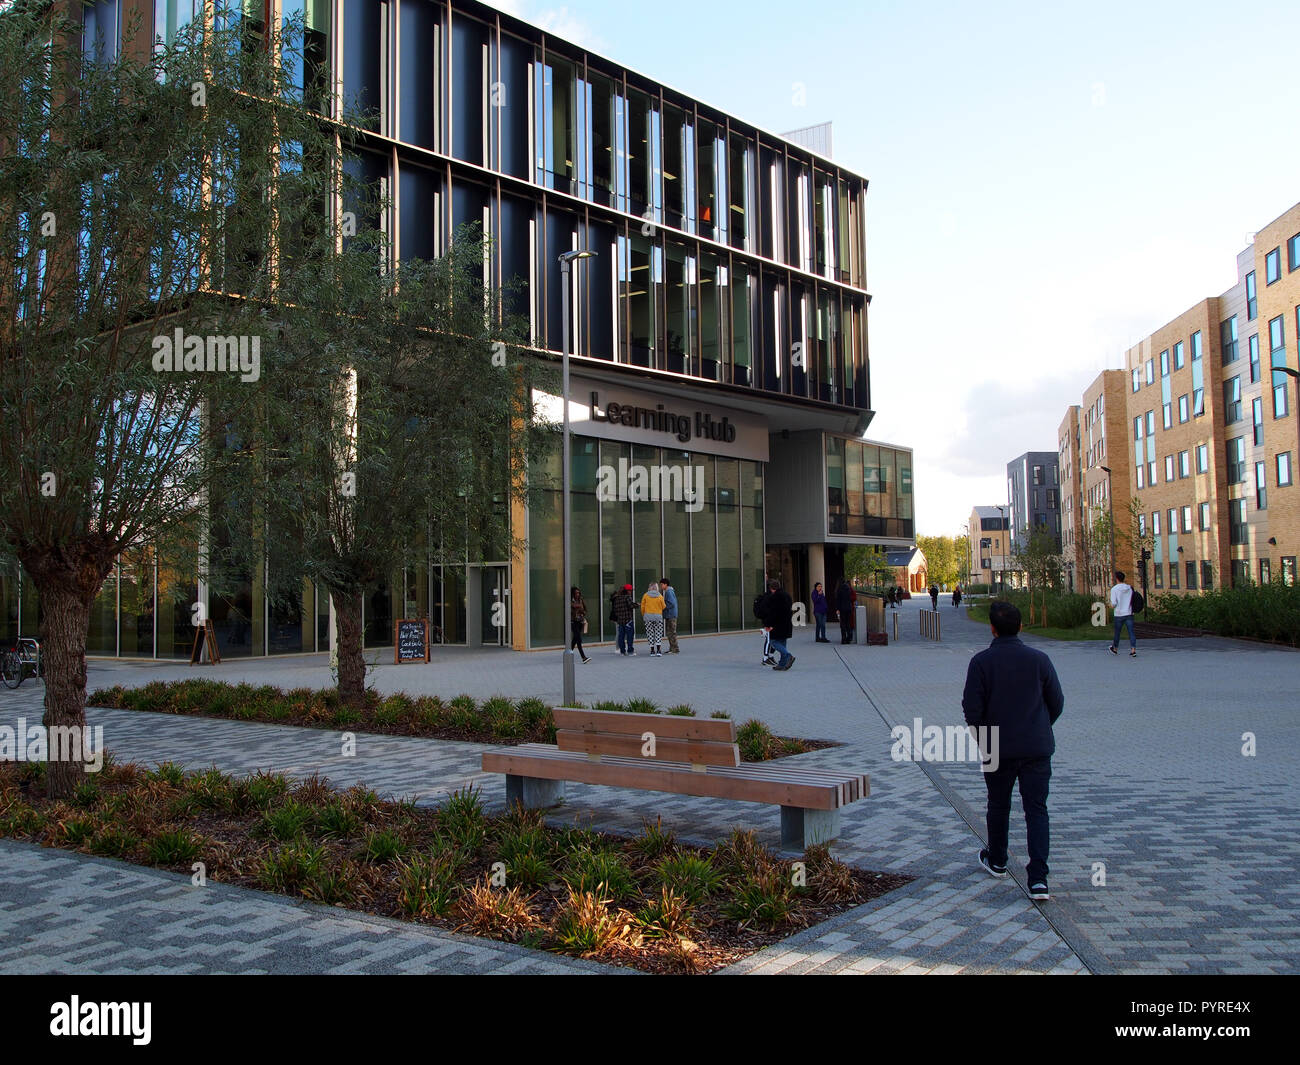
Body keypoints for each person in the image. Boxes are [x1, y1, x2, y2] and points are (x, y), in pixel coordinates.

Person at [962, 600, 1064, 902]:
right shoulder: (1040, 660)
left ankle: (997, 859)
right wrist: (1040, 726)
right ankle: (1039, 880)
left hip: (997, 746)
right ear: (1021, 626)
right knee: (1037, 809)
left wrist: (984, 738)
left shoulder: (981, 663)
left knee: (998, 804)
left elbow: (972, 709)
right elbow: (1056, 701)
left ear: (991, 628)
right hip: (1036, 746)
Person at [758, 578, 796, 670]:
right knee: (782, 643)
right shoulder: (787, 595)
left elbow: (773, 613)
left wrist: (768, 625)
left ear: (771, 588)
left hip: (777, 624)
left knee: (773, 641)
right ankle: (782, 664)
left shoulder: (774, 597)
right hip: (787, 623)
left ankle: (788, 656)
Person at [1109, 570, 1137, 658]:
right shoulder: (1129, 588)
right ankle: (1133, 650)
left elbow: (1114, 604)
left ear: (1116, 579)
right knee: (1131, 632)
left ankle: (1115, 648)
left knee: (1117, 632)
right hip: (1129, 613)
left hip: (1119, 614)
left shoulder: (1114, 589)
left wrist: (1110, 605)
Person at [640, 581, 666, 657]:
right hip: (658, 617)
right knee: (658, 633)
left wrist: (643, 614)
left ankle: (652, 650)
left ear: (649, 587)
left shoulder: (645, 595)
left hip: (648, 617)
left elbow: (642, 607)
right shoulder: (660, 596)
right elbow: (664, 606)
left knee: (650, 633)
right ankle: (658, 650)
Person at [609, 583, 636, 656]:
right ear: (627, 591)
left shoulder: (617, 598)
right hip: (628, 620)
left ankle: (622, 651)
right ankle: (630, 651)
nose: (631, 592)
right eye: (630, 590)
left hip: (620, 620)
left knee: (621, 636)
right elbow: (631, 605)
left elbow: (615, 609)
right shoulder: (627, 597)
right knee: (630, 636)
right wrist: (637, 605)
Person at [569, 586, 591, 664]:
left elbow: (585, 609)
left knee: (575, 639)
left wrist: (583, 612)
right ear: (573, 594)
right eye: (576, 593)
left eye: (578, 592)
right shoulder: (570, 601)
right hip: (573, 621)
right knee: (578, 640)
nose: (577, 594)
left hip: (580, 621)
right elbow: (571, 608)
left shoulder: (581, 600)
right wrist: (576, 607)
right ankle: (583, 657)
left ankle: (569, 654)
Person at [660, 576, 680, 653]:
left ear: (666, 584)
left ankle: (675, 649)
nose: (661, 586)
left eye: (662, 584)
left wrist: (664, 607)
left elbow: (672, 603)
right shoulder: (669, 591)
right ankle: (672, 648)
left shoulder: (669, 592)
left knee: (672, 632)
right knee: (670, 632)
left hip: (671, 615)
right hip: (670, 615)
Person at [835, 580, 854, 644]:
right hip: (849, 608)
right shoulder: (848, 589)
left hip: (842, 609)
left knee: (842, 624)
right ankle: (849, 637)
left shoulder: (839, 590)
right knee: (848, 623)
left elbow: (838, 601)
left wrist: (837, 609)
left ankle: (844, 639)